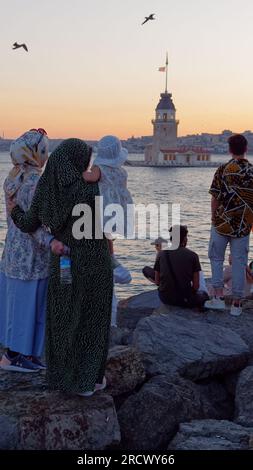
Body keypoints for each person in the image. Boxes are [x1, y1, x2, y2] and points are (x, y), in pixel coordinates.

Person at [10, 138, 113, 396]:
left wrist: (13, 210)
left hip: (65, 262)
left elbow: (28, 223)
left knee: (64, 316)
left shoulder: (46, 187)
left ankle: (62, 378)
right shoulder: (92, 190)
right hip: (96, 262)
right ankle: (90, 379)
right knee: (93, 319)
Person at [0, 129, 65, 372]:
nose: (46, 155)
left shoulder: (12, 178)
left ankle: (17, 353)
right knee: (31, 306)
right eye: (44, 150)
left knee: (15, 304)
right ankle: (17, 356)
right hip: (32, 255)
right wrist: (51, 241)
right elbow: (34, 223)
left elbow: (17, 220)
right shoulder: (36, 181)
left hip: (13, 253)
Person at [205, 134, 253, 316]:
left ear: (229, 149)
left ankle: (217, 298)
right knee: (240, 262)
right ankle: (237, 304)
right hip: (242, 225)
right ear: (246, 148)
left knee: (216, 258)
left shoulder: (223, 170)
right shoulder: (252, 171)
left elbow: (215, 197)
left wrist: (212, 218)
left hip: (221, 222)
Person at [83, 135, 133, 252]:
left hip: (105, 204)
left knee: (103, 233)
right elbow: (122, 189)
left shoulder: (99, 168)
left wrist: (81, 173)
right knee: (108, 235)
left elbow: (91, 178)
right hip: (120, 205)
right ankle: (111, 257)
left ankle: (107, 257)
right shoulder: (122, 171)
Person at [154, 225, 209, 308]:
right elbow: (196, 286)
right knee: (204, 295)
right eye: (186, 237)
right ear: (184, 239)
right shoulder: (192, 255)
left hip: (165, 298)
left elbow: (157, 282)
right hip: (184, 299)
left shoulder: (161, 254)